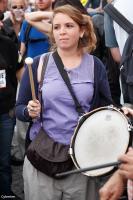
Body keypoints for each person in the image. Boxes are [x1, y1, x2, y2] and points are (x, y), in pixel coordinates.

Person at [16, 4, 114, 200]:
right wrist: (29, 112)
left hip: (81, 160)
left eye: (69, 26)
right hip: (41, 160)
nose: (62, 32)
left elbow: (105, 109)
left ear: (82, 30)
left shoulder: (96, 66)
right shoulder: (37, 64)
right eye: (57, 27)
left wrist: (120, 114)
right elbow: (19, 109)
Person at [0, 0, 23, 197]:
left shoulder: (7, 44)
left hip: (4, 113)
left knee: (4, 161)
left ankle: (5, 193)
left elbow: (20, 73)